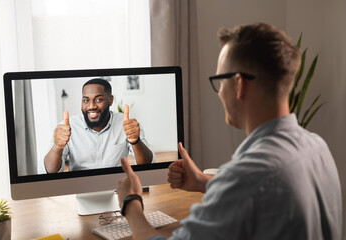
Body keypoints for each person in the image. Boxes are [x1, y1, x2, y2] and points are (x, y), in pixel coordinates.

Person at [116, 22, 342, 240]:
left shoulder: (248, 176)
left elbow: (250, 184)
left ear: (240, 84)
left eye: (220, 81)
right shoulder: (317, 147)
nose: (219, 92)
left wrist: (131, 202)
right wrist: (203, 182)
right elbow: (264, 197)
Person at [44, 78, 154, 173]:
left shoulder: (127, 124)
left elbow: (147, 164)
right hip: (80, 188)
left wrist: (136, 141)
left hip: (117, 187)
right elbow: (50, 171)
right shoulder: (66, 127)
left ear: (110, 100)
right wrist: (57, 147)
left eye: (99, 100)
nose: (91, 106)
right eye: (86, 100)